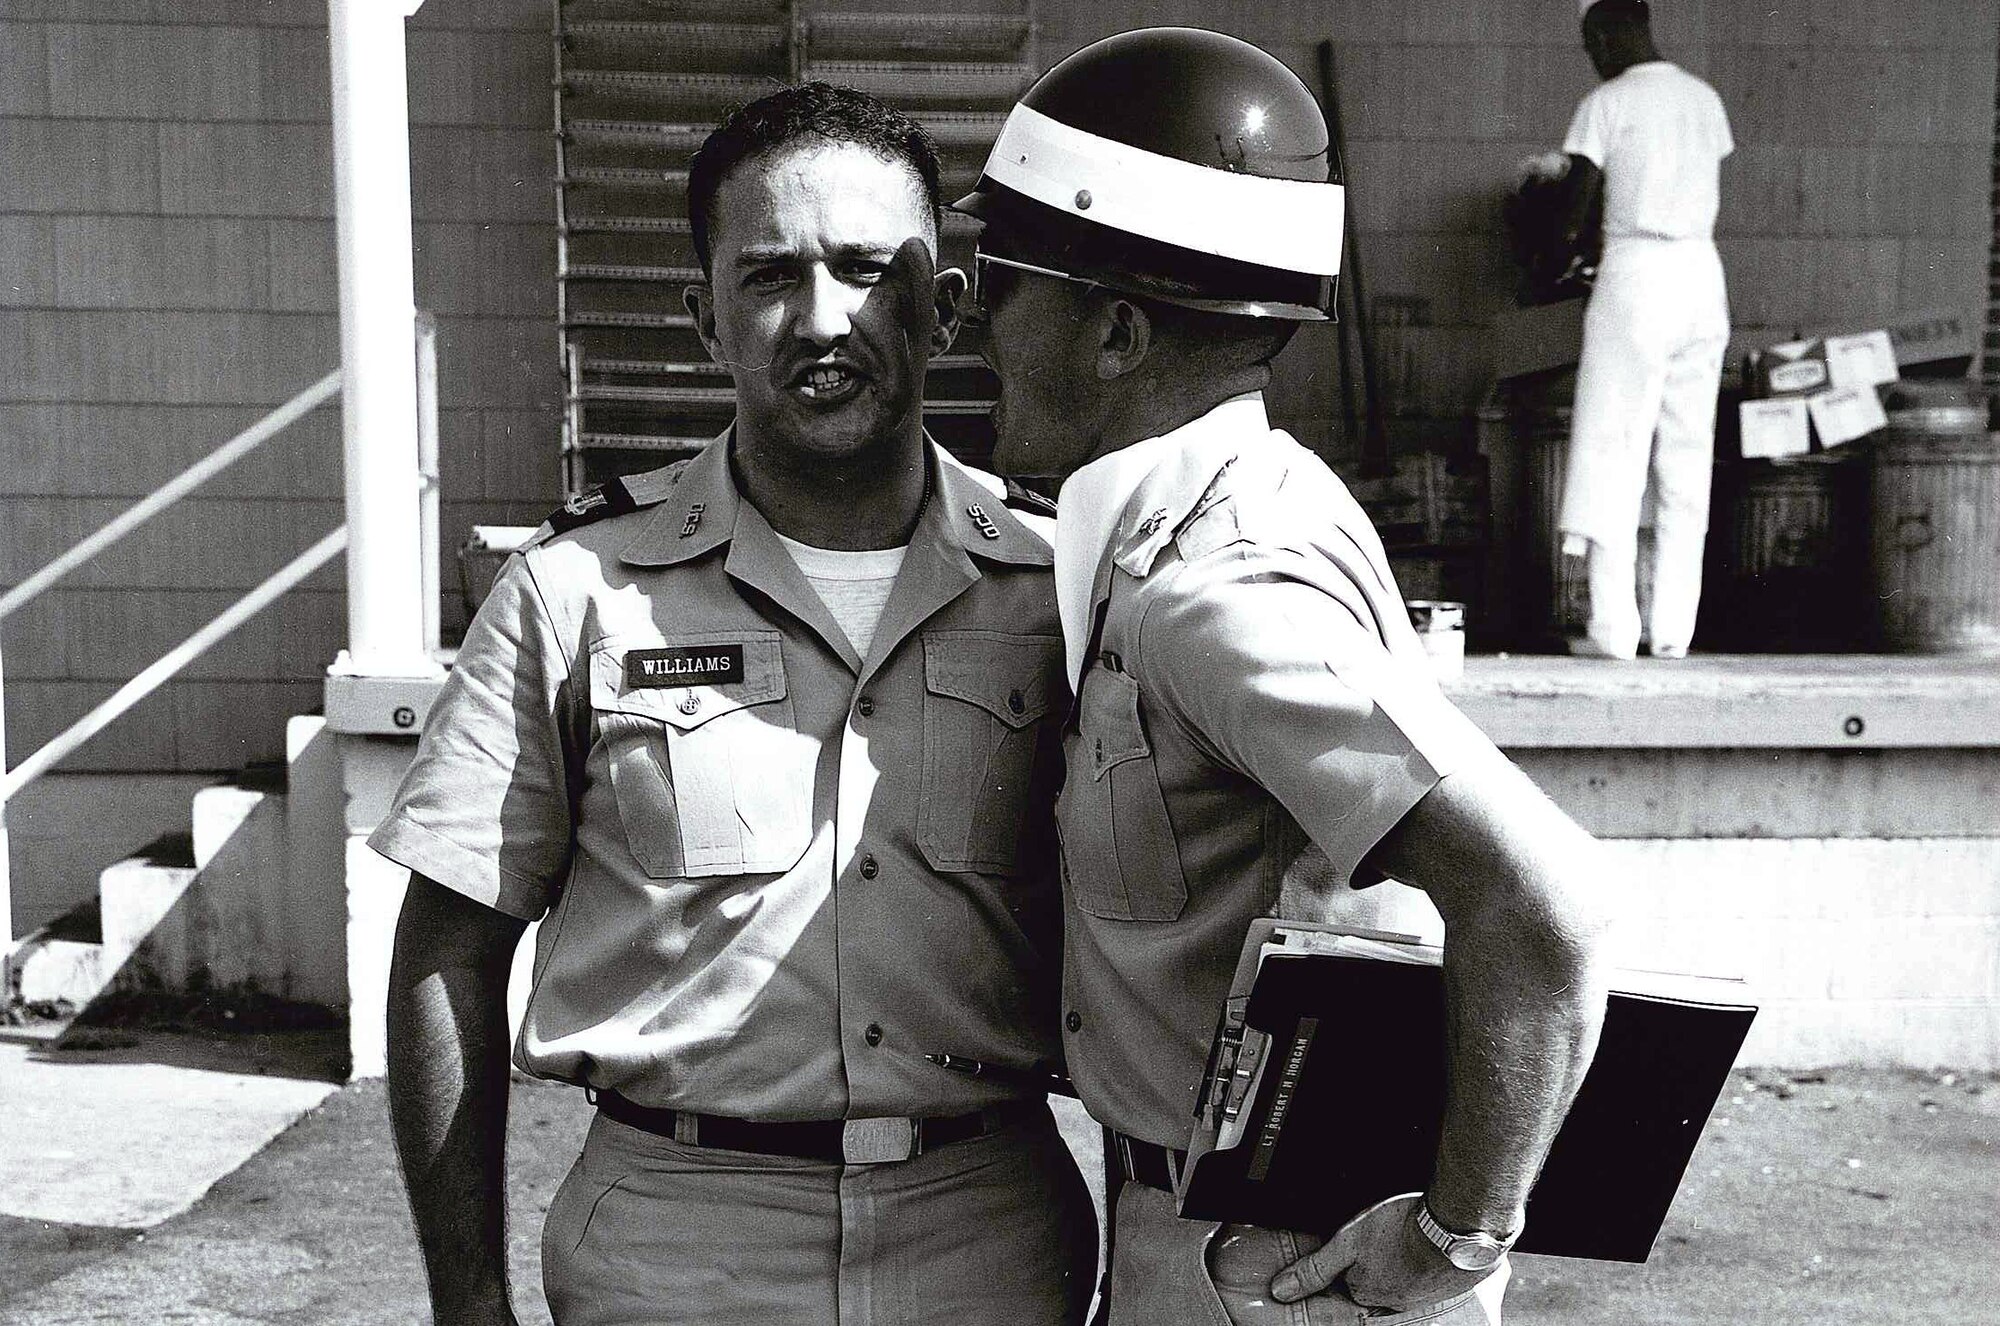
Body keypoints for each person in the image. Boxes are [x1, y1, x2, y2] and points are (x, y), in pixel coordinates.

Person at [372, 82, 1094, 1326]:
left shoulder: (1061, 584)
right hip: (671, 1246)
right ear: (703, 319)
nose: (824, 321)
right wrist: (468, 1301)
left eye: (870, 270)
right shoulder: (576, 592)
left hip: (989, 1239)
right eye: (768, 277)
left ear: (947, 305)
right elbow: (447, 952)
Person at [953, 27, 1613, 1325]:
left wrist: (1457, 1238)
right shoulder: (1199, 517)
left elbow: (1545, 909)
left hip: (1269, 1262)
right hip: (1218, 1232)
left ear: (1117, 332)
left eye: (1002, 283)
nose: (975, 327)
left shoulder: (1220, 586)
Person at [1558, 0, 1733, 659]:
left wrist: (1552, 261)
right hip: (1700, 274)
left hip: (1635, 272)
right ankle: (1673, 633)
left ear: (1606, 32)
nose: (1593, 57)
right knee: (1686, 459)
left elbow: (1574, 203)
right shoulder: (1704, 99)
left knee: (1613, 446)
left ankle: (1611, 629)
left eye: (1590, 43)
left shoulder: (1607, 102)